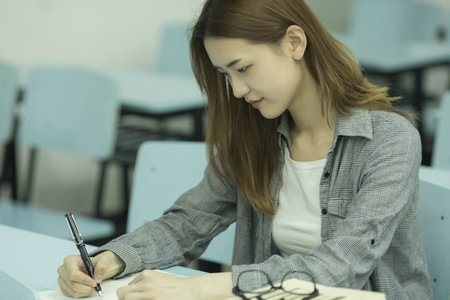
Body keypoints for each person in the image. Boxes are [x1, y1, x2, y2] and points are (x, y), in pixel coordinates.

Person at [57, 0, 432, 299]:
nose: (236, 90)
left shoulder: (390, 139)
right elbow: (187, 224)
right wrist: (109, 260)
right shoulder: (255, 135)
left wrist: (204, 287)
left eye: (243, 68)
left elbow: (342, 266)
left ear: (294, 43)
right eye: (226, 75)